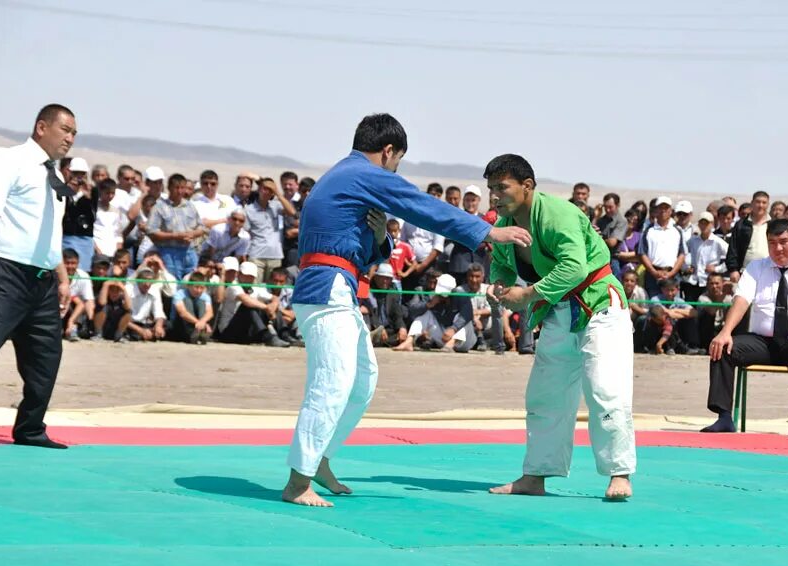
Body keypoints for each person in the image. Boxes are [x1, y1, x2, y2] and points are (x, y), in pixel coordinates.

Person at [281, 114, 531, 507]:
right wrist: (487, 231)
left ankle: (321, 459)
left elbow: (355, 247)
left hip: (337, 285)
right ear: (388, 151)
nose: (395, 171)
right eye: (397, 163)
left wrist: (378, 235)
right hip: (325, 286)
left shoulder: (344, 177)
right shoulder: (364, 173)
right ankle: (298, 481)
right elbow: (422, 206)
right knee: (331, 382)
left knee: (362, 380)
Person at [482, 154, 635, 500]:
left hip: (598, 304)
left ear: (527, 186)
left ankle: (619, 473)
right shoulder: (504, 224)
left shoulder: (558, 214)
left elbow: (575, 268)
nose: (495, 195)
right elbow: (502, 266)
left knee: (605, 389)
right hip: (556, 309)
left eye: (501, 187)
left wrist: (528, 294)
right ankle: (535, 476)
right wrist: (501, 288)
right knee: (544, 394)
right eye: (491, 188)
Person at [0, 104, 77, 448]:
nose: (70, 138)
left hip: (41, 278)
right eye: (65, 130)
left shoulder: (53, 173)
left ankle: (29, 428)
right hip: (6, 271)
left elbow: (48, 232)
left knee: (47, 354)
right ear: (42, 127)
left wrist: (62, 277)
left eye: (74, 133)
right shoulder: (9, 160)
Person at [702, 219, 788, 439]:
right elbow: (742, 300)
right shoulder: (756, 267)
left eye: (783, 242)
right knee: (722, 347)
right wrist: (725, 332)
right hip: (763, 342)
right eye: (772, 242)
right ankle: (724, 417)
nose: (778, 248)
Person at [146, 174, 205, 279]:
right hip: (169, 252)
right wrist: (175, 236)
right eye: (176, 188)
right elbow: (151, 232)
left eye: (182, 188)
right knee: (173, 283)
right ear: (169, 188)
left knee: (191, 283)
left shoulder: (190, 206)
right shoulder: (159, 207)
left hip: (190, 251)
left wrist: (193, 234)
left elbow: (201, 227)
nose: (180, 191)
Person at [245, 177, 296, 282]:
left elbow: (292, 212)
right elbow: (247, 233)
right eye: (264, 188)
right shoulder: (248, 209)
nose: (266, 192)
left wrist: (278, 193)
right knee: (255, 288)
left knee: (272, 289)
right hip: (256, 256)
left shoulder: (276, 206)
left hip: (275, 256)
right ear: (259, 189)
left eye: (270, 190)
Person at [638, 196, 685, 298]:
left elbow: (682, 254)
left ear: (670, 211)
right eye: (660, 207)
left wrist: (671, 273)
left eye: (666, 208)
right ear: (656, 210)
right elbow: (642, 253)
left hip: (672, 276)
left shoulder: (677, 231)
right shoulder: (648, 230)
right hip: (652, 277)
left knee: (673, 308)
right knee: (655, 308)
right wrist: (654, 272)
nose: (663, 210)